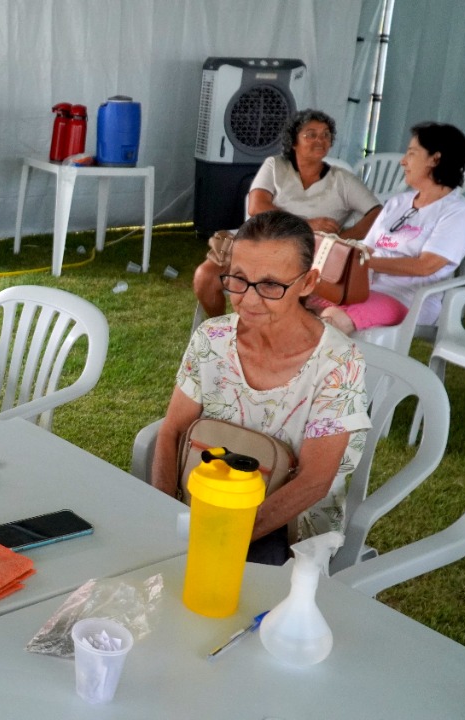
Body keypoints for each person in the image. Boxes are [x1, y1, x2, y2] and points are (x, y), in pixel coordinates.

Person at [156, 210, 370, 564]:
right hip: (200, 501)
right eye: (238, 279)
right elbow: (172, 431)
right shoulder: (213, 338)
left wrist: (222, 538)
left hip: (286, 529)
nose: (249, 300)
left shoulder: (338, 363)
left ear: (308, 283)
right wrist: (163, 514)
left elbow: (315, 481)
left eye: (271, 285)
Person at [194, 110, 381, 318]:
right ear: (293, 142)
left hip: (304, 255)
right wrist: (307, 224)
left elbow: (378, 213)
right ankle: (222, 333)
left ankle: (267, 336)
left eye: (326, 135)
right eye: (311, 134)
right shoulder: (275, 166)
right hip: (260, 242)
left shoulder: (342, 180)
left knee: (277, 291)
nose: (320, 140)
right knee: (206, 277)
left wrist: (343, 240)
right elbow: (256, 206)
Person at [318, 122, 465, 335]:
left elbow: (425, 266)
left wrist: (363, 262)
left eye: (411, 153)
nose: (403, 161)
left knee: (331, 321)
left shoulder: (457, 211)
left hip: (407, 299)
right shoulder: (398, 202)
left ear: (435, 159)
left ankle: (328, 367)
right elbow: (367, 250)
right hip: (362, 288)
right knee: (289, 298)